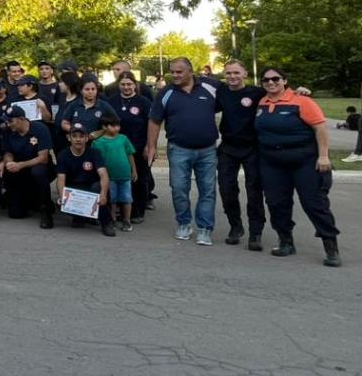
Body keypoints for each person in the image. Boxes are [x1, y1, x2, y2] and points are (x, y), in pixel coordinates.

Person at [255, 68, 341, 267]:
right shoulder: (262, 101)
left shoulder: (302, 101)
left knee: (314, 204)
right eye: (266, 80)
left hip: (304, 161)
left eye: (275, 78)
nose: (270, 82)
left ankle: (331, 246)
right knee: (276, 203)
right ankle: (285, 241)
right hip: (272, 162)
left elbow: (320, 128)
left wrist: (323, 156)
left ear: (285, 80)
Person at [146, 57, 220, 246]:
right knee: (179, 189)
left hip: (208, 150)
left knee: (208, 190)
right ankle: (184, 223)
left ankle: (204, 229)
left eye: (179, 72)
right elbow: (154, 121)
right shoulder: (166, 92)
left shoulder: (211, 87)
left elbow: (236, 96)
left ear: (190, 71)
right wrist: (152, 146)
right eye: (172, 71)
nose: (175, 75)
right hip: (179, 149)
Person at [214, 60, 268, 249]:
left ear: (245, 74)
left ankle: (256, 232)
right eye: (228, 73)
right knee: (226, 189)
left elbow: (283, 94)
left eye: (236, 73)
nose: (232, 77)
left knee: (254, 191)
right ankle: (235, 227)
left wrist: (301, 91)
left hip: (252, 148)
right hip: (228, 147)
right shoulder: (221, 92)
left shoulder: (257, 92)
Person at [55, 124, 116, 237]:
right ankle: (82, 217)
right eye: (74, 136)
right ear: (69, 138)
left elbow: (104, 175)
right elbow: (61, 179)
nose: (78, 139)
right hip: (74, 190)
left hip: (91, 187)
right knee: (62, 200)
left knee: (98, 188)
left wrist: (103, 195)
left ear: (87, 138)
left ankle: (106, 223)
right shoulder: (63, 155)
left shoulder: (94, 153)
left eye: (81, 136)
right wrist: (61, 196)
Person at [0, 107, 56, 227]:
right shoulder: (7, 131)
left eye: (11, 121)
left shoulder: (40, 129)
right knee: (16, 214)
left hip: (39, 165)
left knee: (38, 172)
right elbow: (8, 152)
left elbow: (43, 158)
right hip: (19, 168)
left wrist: (20, 165)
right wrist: (9, 163)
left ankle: (45, 209)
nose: (8, 124)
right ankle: (21, 199)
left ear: (21, 119)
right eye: (7, 121)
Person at [109, 72, 153, 223]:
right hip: (117, 149)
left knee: (138, 179)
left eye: (129, 84)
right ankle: (120, 210)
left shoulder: (144, 102)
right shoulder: (111, 101)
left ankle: (137, 211)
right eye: (123, 84)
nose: (126, 87)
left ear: (135, 85)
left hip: (139, 147)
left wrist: (149, 145)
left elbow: (151, 125)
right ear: (118, 85)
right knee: (118, 178)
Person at [92, 115, 136, 232]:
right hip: (109, 177)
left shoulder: (123, 139)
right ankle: (112, 219)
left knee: (127, 198)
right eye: (113, 126)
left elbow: (130, 154)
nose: (116, 128)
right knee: (112, 199)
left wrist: (134, 170)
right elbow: (96, 160)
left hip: (125, 175)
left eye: (118, 125)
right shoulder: (98, 142)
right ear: (104, 127)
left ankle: (127, 220)